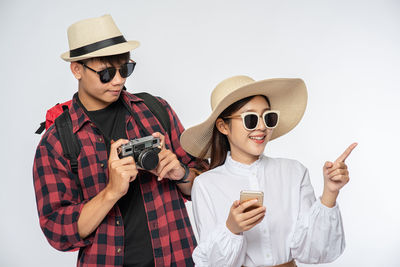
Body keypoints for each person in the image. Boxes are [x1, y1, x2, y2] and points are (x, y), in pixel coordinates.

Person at [33, 14, 204, 267]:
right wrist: (111, 192)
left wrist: (180, 173)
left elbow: (207, 186)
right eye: (106, 73)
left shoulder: (156, 110)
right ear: (77, 69)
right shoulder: (57, 141)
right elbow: (58, 231)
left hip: (177, 258)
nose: (119, 80)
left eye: (126, 69)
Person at [180, 75, 357, 267]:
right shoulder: (206, 185)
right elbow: (211, 264)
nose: (262, 127)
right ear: (223, 126)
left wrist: (330, 193)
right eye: (250, 119)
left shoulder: (294, 172)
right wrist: (232, 229)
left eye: (268, 117)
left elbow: (316, 252)